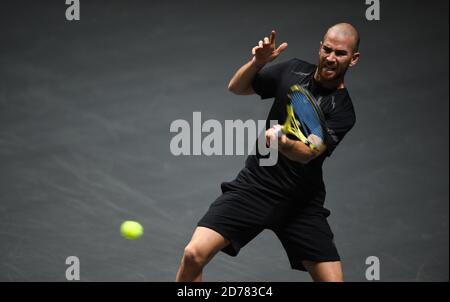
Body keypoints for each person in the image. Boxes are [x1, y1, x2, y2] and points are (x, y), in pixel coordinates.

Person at [176, 23, 360, 282]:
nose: (331, 58)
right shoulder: (293, 69)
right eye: (327, 50)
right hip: (255, 187)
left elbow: (309, 152)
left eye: (340, 53)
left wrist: (282, 141)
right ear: (320, 48)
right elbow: (236, 87)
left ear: (353, 59)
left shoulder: (343, 110)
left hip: (301, 203)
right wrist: (256, 63)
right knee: (193, 255)